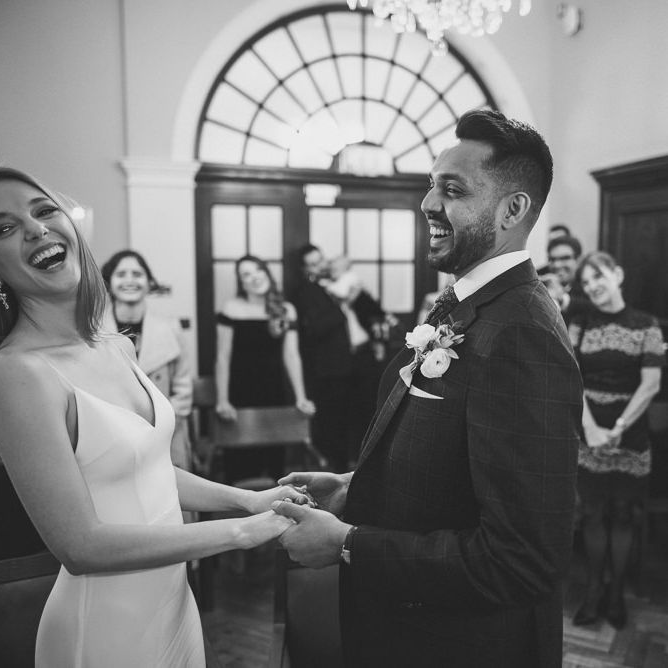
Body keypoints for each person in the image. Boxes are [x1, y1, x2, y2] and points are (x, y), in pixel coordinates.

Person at [0, 166, 306, 668]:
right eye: (3, 228)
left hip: (172, 603)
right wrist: (242, 532)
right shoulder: (17, 373)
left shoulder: (112, 344)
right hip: (105, 627)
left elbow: (148, 467)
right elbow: (81, 545)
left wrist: (248, 500)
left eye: (44, 210)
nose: (34, 229)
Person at [273, 109, 583, 667]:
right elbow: (456, 466)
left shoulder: (521, 333)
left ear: (513, 209)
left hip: (457, 644)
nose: (428, 204)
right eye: (431, 185)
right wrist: (355, 486)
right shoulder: (471, 304)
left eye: (452, 189)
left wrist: (346, 541)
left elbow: (521, 558)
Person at [569, 251, 664, 629]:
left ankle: (615, 594)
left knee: (624, 516)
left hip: (632, 433)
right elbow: (571, 377)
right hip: (588, 430)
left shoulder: (647, 325)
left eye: (598, 277)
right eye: (587, 282)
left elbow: (651, 384)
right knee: (593, 515)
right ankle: (593, 591)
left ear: (617, 274)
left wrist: (621, 425)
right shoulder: (579, 323)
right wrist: (590, 428)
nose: (592, 287)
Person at [215, 254, 314, 482]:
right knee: (240, 469)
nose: (254, 277)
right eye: (245, 274)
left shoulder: (285, 310)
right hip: (239, 393)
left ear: (267, 272)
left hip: (274, 392)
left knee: (275, 470)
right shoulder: (232, 308)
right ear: (241, 282)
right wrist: (222, 399)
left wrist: (300, 397)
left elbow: (291, 355)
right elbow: (222, 356)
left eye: (257, 270)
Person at [101, 249, 193, 471]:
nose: (130, 280)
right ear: (109, 282)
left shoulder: (171, 329)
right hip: (111, 439)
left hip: (167, 437)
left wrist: (163, 424)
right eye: (122, 274)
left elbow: (183, 388)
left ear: (149, 282)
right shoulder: (93, 332)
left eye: (137, 273)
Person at [294, 245, 380, 472]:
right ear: (304, 269)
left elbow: (372, 311)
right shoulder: (306, 291)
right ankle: (338, 469)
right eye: (313, 263)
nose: (321, 265)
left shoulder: (340, 283)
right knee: (334, 423)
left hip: (358, 359)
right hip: (330, 368)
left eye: (321, 259)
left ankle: (362, 464)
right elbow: (315, 327)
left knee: (363, 415)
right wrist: (342, 305)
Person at [547, 233, 589, 322]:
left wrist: (561, 298)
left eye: (565, 258)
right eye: (552, 259)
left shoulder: (588, 286)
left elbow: (590, 306)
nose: (557, 265)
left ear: (579, 260)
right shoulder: (542, 284)